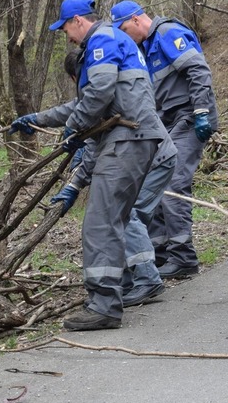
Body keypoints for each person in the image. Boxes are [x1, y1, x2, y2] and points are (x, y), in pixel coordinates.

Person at [9, 0, 169, 331]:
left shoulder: (102, 40)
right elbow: (88, 103)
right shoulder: (107, 44)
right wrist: (40, 118)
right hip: (131, 138)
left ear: (78, 21)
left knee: (99, 223)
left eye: (65, 27)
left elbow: (96, 97)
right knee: (111, 221)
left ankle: (104, 305)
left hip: (128, 139)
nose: (66, 35)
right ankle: (110, 295)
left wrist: (76, 128)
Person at [49, 51, 177, 308]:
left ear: (77, 75)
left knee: (125, 215)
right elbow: (95, 147)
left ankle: (147, 278)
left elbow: (96, 151)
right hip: (150, 156)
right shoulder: (100, 91)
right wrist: (75, 182)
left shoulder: (102, 94)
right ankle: (129, 279)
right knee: (121, 218)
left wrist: (74, 184)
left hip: (153, 159)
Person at [110, 0, 219, 280]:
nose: (124, 36)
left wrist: (202, 112)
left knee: (173, 185)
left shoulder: (168, 34)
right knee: (154, 183)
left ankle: (184, 257)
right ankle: (160, 253)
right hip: (167, 123)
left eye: (124, 29)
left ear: (136, 20)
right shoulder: (145, 48)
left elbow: (198, 71)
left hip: (189, 118)